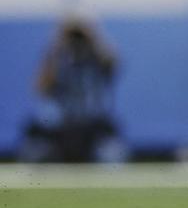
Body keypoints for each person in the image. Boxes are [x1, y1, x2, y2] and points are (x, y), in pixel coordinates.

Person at [21, 14, 127, 164]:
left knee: (112, 155)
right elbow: (40, 88)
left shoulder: (97, 56)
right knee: (36, 148)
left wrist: (93, 35)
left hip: (94, 124)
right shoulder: (57, 57)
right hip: (60, 124)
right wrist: (58, 45)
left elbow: (113, 63)